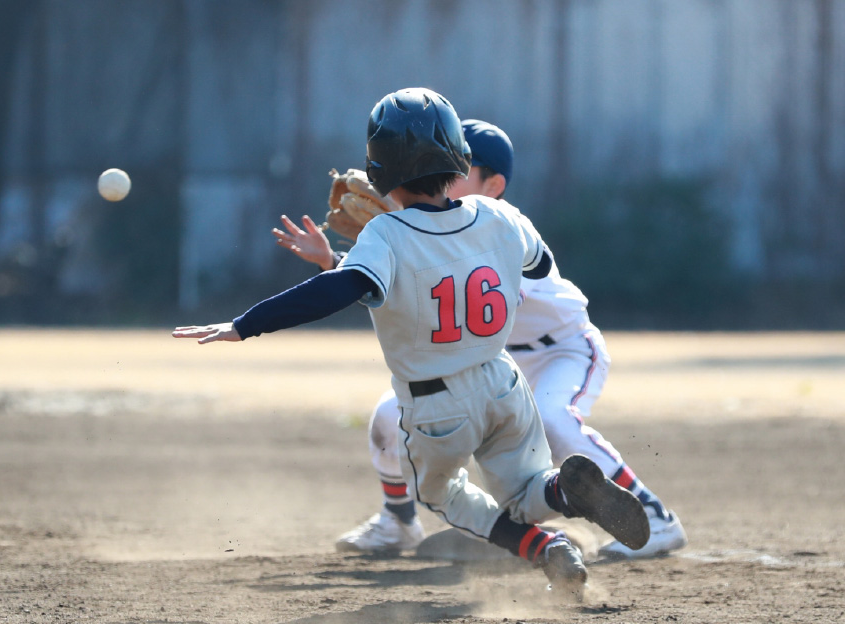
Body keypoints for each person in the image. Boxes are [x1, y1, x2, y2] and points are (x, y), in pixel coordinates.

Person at [175, 88, 649, 595]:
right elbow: (539, 266)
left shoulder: (385, 235)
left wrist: (247, 323)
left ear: (379, 171)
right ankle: (566, 493)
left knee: (444, 495)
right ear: (459, 158)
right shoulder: (500, 217)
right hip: (504, 384)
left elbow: (337, 292)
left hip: (438, 404)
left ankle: (545, 547)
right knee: (527, 489)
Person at [272, 119, 687, 561]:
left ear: (494, 184)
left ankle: (654, 516)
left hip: (562, 351)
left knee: (553, 420)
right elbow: (403, 290)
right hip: (493, 361)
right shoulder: (433, 229)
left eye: (461, 163)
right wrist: (337, 262)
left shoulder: (498, 227)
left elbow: (454, 289)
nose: (445, 169)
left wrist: (400, 231)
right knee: (391, 413)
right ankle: (398, 521)